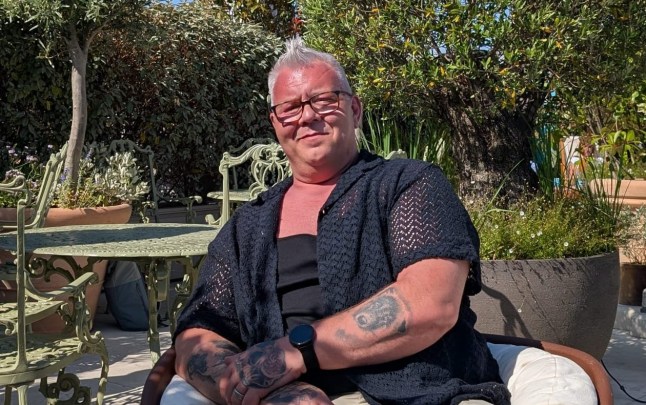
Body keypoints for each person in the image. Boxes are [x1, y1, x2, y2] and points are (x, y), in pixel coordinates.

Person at [165, 37, 511, 405]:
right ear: (275, 123)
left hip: (425, 391)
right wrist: (267, 389)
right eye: (290, 108)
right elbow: (197, 331)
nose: (308, 116)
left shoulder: (407, 184)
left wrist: (295, 352)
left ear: (355, 110)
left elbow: (431, 304)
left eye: (325, 100)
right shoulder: (247, 226)